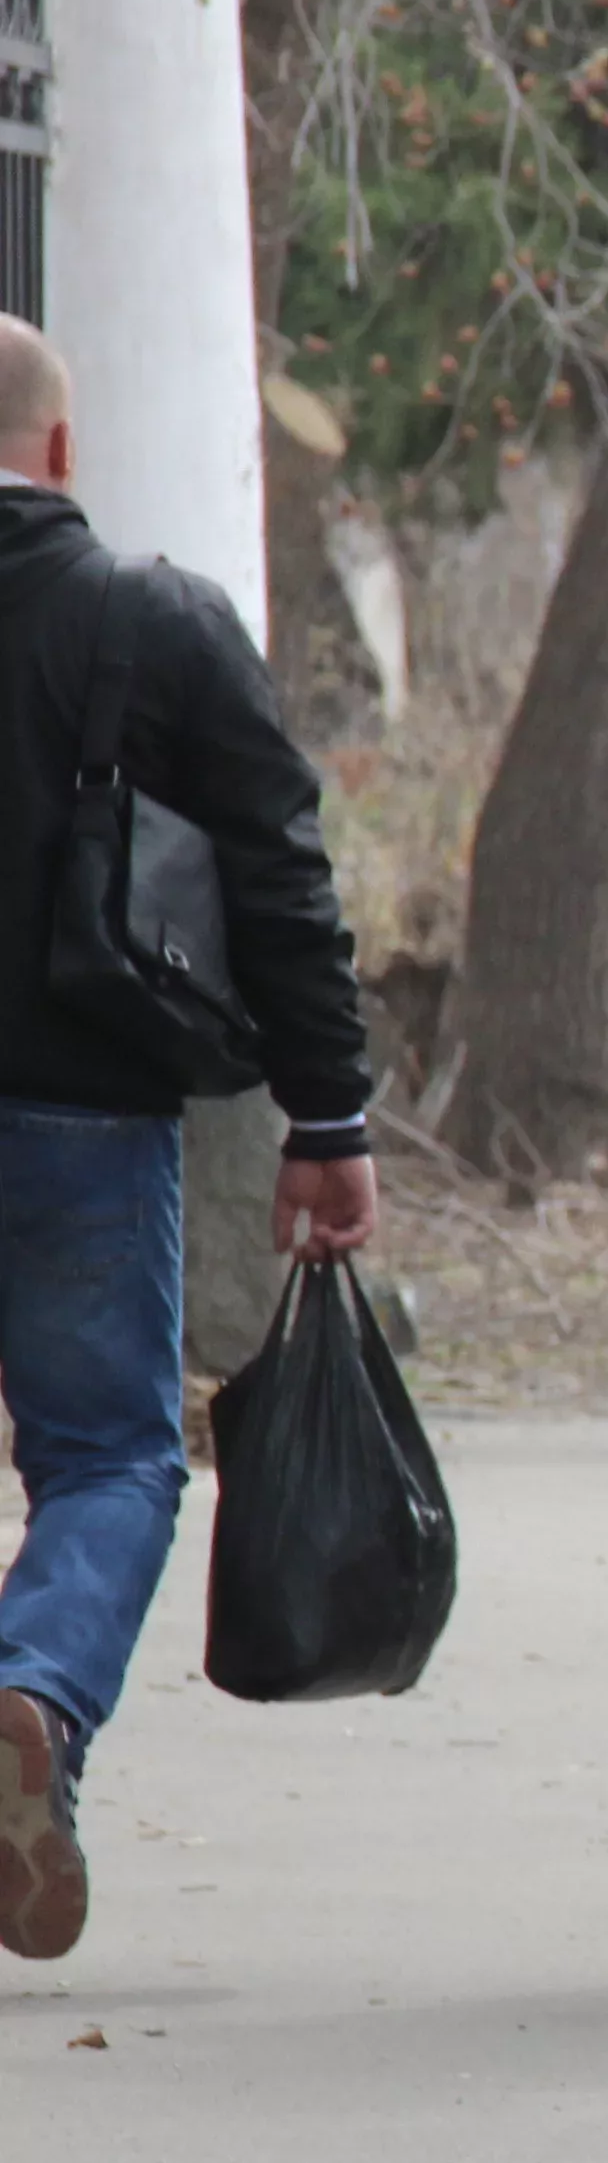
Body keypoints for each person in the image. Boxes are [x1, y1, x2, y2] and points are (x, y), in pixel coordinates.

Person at [0, 315, 378, 1965]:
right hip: (85, 1100)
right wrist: (327, 1113)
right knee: (112, 1450)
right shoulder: (152, 621)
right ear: (62, 450)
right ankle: (34, 1689)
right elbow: (280, 874)